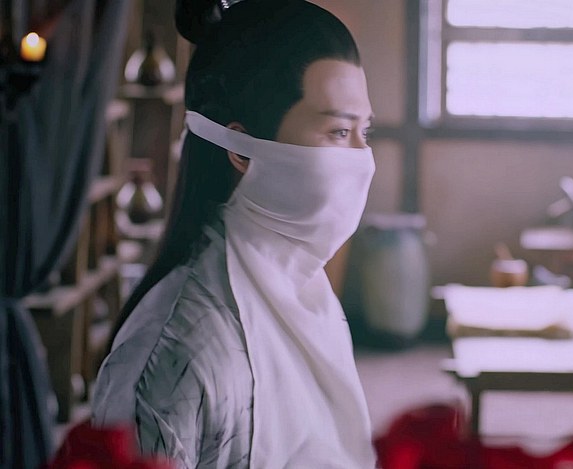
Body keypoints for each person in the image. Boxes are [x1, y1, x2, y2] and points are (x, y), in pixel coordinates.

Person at [92, 0, 378, 467]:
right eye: (339, 132)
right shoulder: (173, 352)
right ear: (241, 149)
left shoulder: (306, 292)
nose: (364, 159)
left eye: (366, 131)